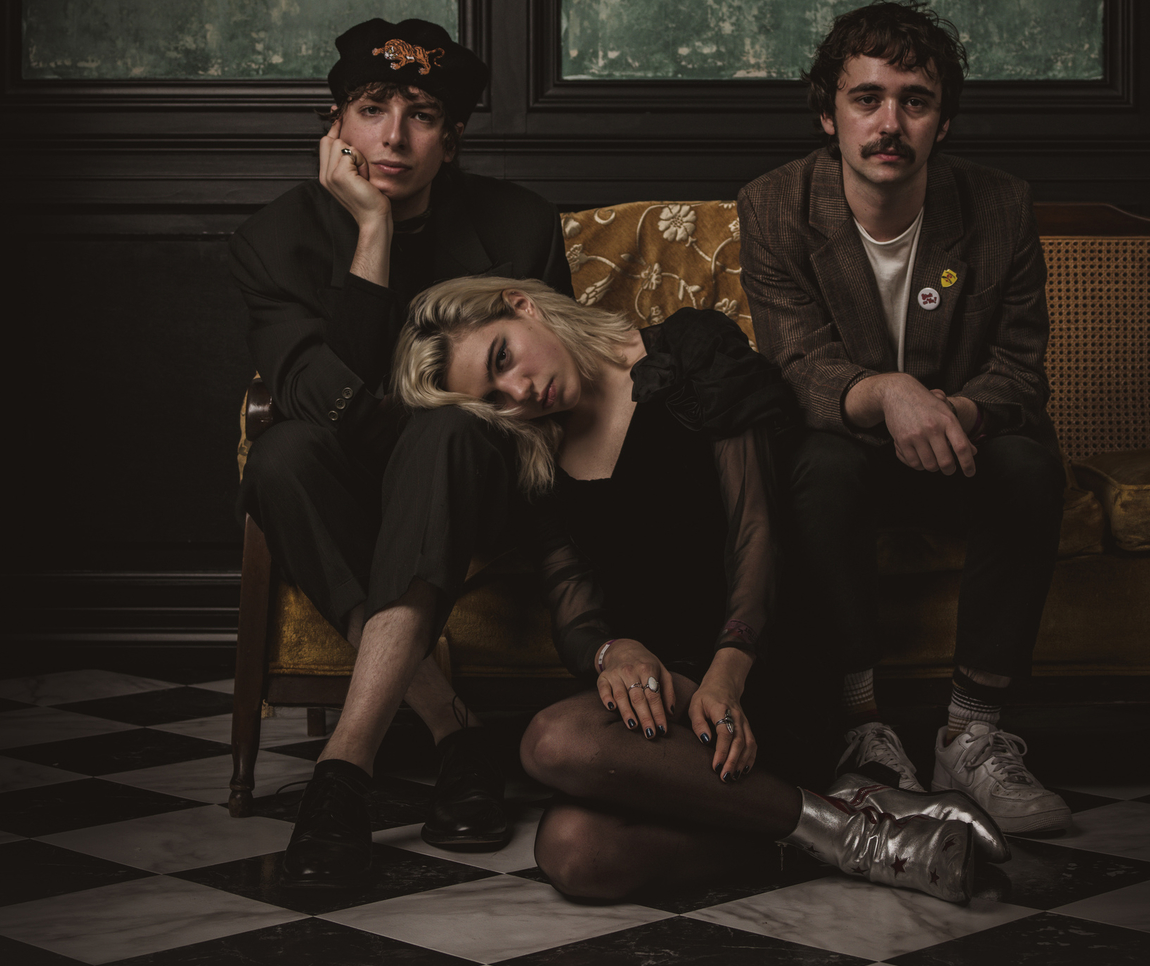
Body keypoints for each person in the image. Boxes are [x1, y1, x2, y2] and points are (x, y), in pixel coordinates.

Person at [391, 277, 1010, 904]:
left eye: (503, 357)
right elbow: (569, 592)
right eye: (495, 399)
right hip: (663, 695)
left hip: (759, 666)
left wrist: (728, 670)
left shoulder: (690, 349)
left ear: (521, 306)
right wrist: (613, 652)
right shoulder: (536, 452)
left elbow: (756, 529)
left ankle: (845, 828)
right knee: (575, 854)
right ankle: (851, 830)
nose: (519, 392)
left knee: (550, 741)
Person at [229, 17, 572, 882]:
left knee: (447, 429)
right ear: (334, 126)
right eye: (370, 108)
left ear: (450, 139)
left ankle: (342, 774)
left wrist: (410, 421)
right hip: (360, 487)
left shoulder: (519, 227)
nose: (392, 135)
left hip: (479, 481)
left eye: (419, 114)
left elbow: (540, 407)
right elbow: (326, 398)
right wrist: (371, 236)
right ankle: (457, 734)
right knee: (280, 459)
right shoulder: (276, 240)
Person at [738, 0, 1071, 835]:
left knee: (1031, 460)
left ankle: (972, 733)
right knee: (815, 462)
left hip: (962, 446)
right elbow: (799, 361)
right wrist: (889, 393)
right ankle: (862, 729)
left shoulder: (997, 205)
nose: (889, 123)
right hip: (845, 450)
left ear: (942, 120)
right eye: (867, 98)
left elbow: (1019, 368)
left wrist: (949, 409)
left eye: (913, 101)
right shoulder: (775, 205)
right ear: (829, 114)